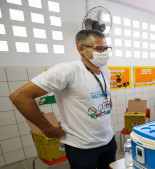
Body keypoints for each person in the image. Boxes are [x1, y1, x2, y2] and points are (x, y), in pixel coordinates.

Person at [9, 30, 117, 169]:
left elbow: (105, 97)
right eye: (99, 48)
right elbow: (19, 96)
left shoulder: (105, 71)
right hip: (81, 147)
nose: (104, 53)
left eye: (106, 48)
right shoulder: (67, 71)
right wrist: (47, 128)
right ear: (81, 49)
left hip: (108, 140)